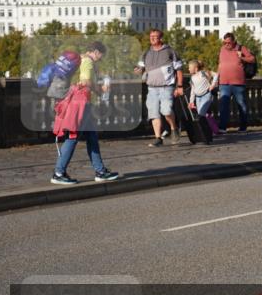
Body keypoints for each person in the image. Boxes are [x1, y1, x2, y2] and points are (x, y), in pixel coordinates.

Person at [51, 41, 119, 184]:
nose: (100, 58)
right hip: (80, 105)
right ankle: (58, 172)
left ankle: (100, 171)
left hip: (78, 103)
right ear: (96, 52)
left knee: (91, 137)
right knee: (73, 137)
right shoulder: (87, 61)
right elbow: (86, 81)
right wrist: (100, 90)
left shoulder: (80, 59)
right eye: (101, 55)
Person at [135, 29, 184, 147]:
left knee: (166, 111)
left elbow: (179, 69)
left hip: (167, 87)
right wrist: (137, 70)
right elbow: (139, 68)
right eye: (151, 36)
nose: (152, 39)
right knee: (154, 113)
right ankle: (158, 138)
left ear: (161, 38)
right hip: (151, 88)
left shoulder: (170, 51)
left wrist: (180, 86)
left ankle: (174, 127)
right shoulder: (146, 53)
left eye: (155, 37)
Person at [217, 32, 255, 133]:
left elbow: (252, 59)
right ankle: (222, 127)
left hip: (238, 83)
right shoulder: (222, 49)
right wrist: (216, 79)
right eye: (224, 43)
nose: (226, 45)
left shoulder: (241, 48)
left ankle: (243, 127)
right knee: (223, 105)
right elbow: (220, 64)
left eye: (229, 43)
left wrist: (241, 57)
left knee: (241, 105)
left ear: (234, 41)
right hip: (224, 82)